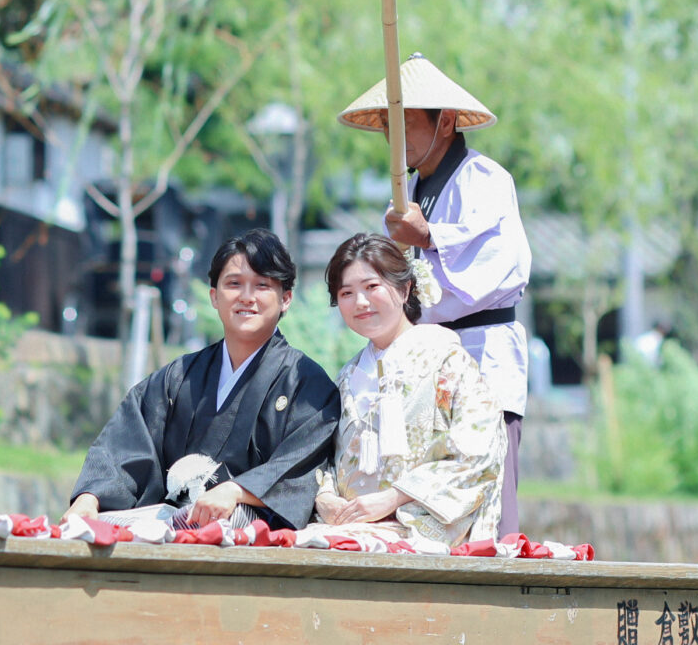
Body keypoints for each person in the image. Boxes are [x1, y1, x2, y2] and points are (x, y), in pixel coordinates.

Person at [338, 54, 531, 536]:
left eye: (403, 124)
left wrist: (427, 238)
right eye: (388, 126)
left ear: (444, 122)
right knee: (416, 496)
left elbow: (497, 267)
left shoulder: (484, 180)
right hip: (420, 365)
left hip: (480, 354)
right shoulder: (409, 192)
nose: (392, 139)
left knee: (483, 491)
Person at [65, 230, 339, 531]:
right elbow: (126, 443)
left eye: (262, 285)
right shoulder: (178, 376)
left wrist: (236, 491)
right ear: (214, 296)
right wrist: (89, 498)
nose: (247, 297)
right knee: (94, 526)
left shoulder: (307, 383)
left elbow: (297, 465)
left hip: (252, 532)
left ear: (285, 299)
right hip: (171, 523)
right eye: (234, 284)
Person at [309, 234, 506, 553]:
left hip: (417, 522)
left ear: (404, 289)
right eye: (346, 293)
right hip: (352, 525)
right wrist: (326, 497)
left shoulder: (446, 360)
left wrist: (394, 497)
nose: (360, 302)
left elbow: (480, 450)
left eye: (372, 287)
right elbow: (326, 458)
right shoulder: (348, 376)